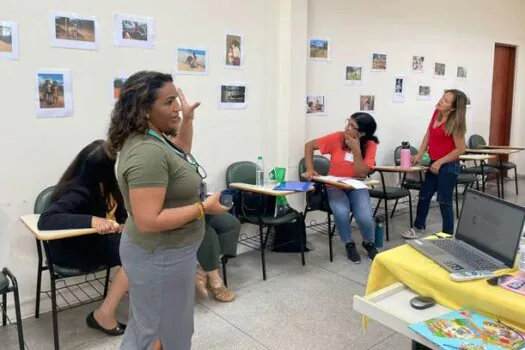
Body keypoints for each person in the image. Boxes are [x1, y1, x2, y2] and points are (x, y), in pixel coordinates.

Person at [108, 70, 230, 350]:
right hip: (159, 257)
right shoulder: (146, 152)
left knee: (149, 328)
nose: (177, 107)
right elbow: (149, 220)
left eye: (177, 99)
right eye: (169, 102)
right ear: (144, 109)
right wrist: (202, 209)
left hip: (165, 254)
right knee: (163, 334)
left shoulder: (154, 139)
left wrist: (186, 119)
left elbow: (181, 149)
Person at [37, 140, 128, 336]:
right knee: (135, 253)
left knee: (140, 248)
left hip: (97, 242)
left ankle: (128, 310)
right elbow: (46, 220)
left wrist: (123, 225)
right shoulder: (80, 190)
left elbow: (121, 216)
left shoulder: (112, 187)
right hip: (73, 249)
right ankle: (103, 315)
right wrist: (92, 220)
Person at [164, 129, 240, 303]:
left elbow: (197, 184)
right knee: (207, 233)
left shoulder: (185, 158)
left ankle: (203, 271)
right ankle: (215, 281)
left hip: (199, 204)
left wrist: (208, 199)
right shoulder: (160, 163)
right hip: (177, 213)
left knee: (231, 224)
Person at [303, 112, 379, 263]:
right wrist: (310, 168)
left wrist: (356, 150)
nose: (347, 128)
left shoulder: (370, 145)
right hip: (334, 186)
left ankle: (368, 242)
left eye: (352, 126)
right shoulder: (338, 137)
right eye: (348, 123)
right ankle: (349, 243)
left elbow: (361, 172)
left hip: (356, 185)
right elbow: (309, 146)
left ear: (362, 133)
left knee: (364, 216)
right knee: (342, 212)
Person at [401, 89, 467, 239]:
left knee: (444, 200)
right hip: (434, 162)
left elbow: (461, 149)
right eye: (443, 97)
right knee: (424, 195)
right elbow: (428, 134)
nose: (441, 101)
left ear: (453, 108)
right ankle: (418, 227)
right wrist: (419, 154)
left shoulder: (455, 123)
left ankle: (447, 235)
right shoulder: (436, 113)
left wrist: (440, 162)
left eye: (446, 100)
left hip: (449, 165)